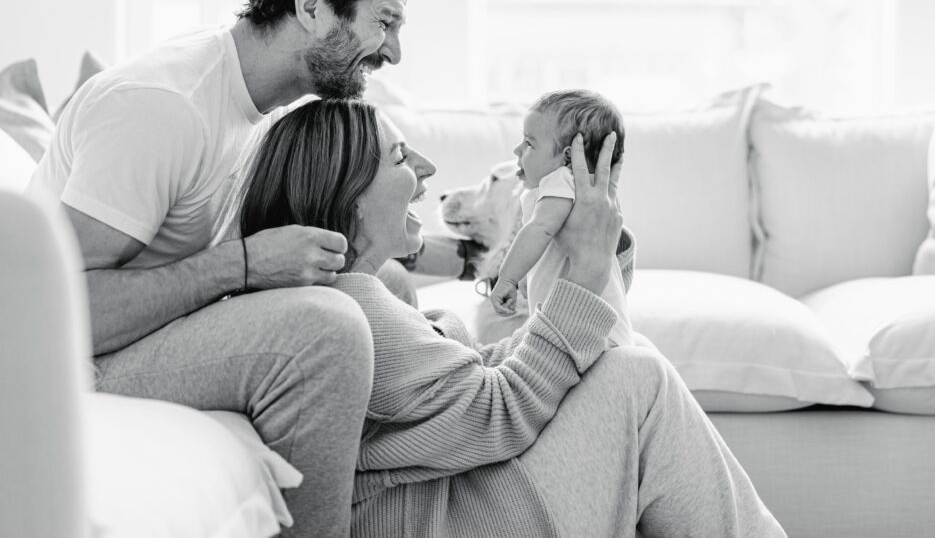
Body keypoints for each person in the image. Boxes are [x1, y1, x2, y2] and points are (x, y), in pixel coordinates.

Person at [28, 0, 435, 537]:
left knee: (385, 291)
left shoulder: (254, 103)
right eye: (384, 22)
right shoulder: (163, 108)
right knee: (326, 330)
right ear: (312, 7)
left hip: (146, 332)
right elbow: (60, 312)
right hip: (69, 362)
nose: (394, 52)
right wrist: (243, 265)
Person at [239, 98, 786, 537]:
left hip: (453, 492)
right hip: (445, 517)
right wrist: (588, 268)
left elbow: (471, 384)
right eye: (403, 158)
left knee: (625, 358)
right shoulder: (351, 305)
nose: (429, 169)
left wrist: (590, 264)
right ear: (350, 197)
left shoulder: (359, 290)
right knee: (637, 378)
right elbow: (498, 411)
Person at [490, 89, 634, 347]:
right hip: (600, 332)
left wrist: (508, 277)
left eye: (529, 143)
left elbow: (540, 229)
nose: (517, 150)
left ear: (568, 157)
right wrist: (527, 276)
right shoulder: (582, 191)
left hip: (591, 336)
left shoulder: (562, 180)